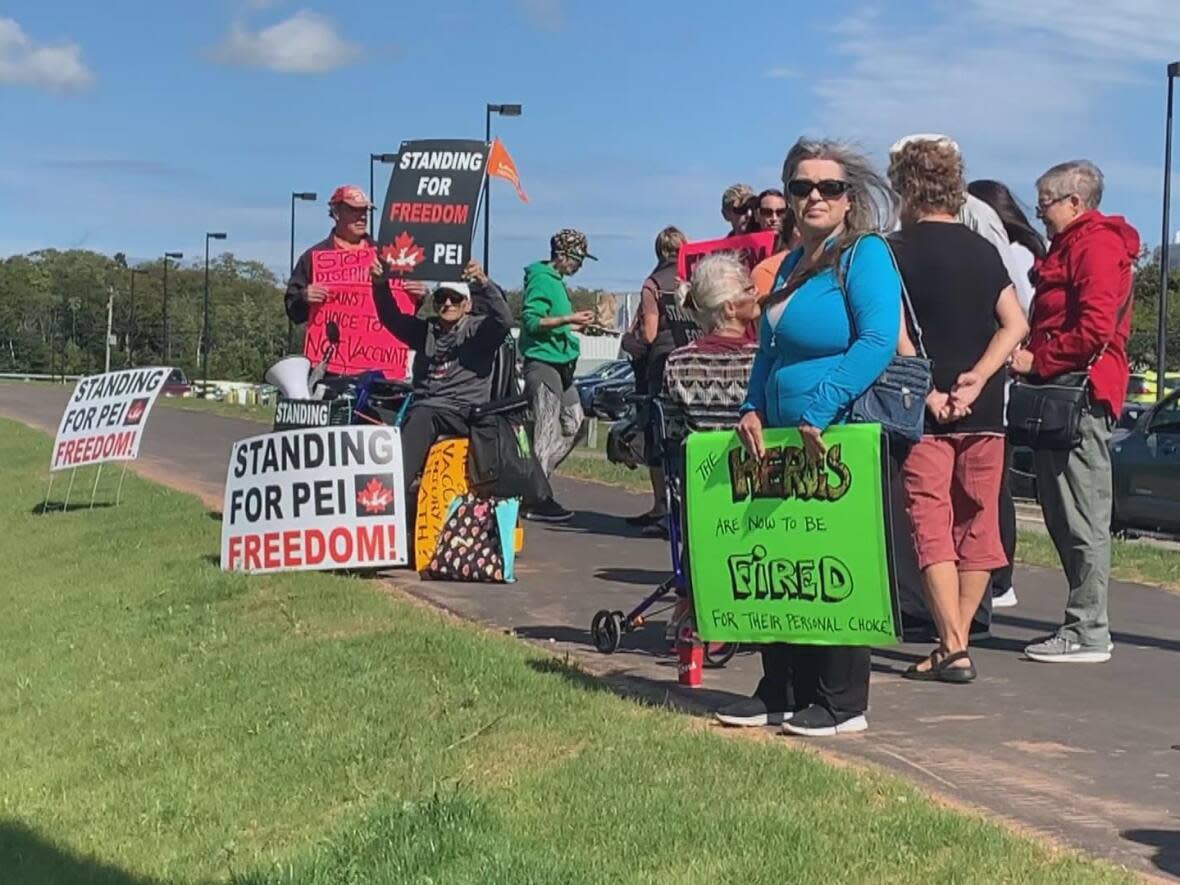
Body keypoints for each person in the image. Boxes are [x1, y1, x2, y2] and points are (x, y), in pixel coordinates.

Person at [718, 138, 902, 737]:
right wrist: (750, 409)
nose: (814, 197)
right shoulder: (794, 264)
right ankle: (782, 688)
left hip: (839, 436)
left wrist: (820, 408)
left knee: (835, 563)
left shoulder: (865, 255)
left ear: (850, 199)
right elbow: (768, 350)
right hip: (780, 441)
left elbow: (876, 340)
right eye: (802, 187)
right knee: (785, 562)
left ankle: (841, 701)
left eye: (828, 187)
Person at [887, 139, 1029, 684]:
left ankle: (951, 644)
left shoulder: (890, 249)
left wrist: (929, 391)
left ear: (903, 186)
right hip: (985, 408)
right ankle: (960, 639)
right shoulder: (983, 249)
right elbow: (1015, 324)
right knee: (978, 521)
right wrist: (980, 377)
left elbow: (896, 336)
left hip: (924, 405)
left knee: (930, 521)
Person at [1010, 160, 1139, 663]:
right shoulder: (1076, 246)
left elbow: (1095, 329)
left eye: (1045, 203)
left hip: (1078, 394)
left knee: (1081, 514)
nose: (1040, 213)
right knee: (1063, 513)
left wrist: (1036, 358)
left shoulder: (1097, 246)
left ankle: (1088, 628)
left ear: (1074, 203)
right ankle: (1084, 623)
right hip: (1062, 393)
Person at [370, 257, 513, 523]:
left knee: (423, 415)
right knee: (378, 416)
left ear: (467, 305)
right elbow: (390, 318)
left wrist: (484, 282)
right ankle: (378, 499)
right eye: (441, 299)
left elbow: (504, 320)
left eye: (455, 299)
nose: (447, 304)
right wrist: (379, 284)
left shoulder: (478, 330)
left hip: (462, 410)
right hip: (426, 405)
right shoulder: (427, 330)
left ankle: (388, 505)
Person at [968, 178, 1049, 610]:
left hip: (1003, 377)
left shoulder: (1012, 255)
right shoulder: (1025, 252)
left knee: (993, 486)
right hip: (1003, 377)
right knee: (994, 484)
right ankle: (998, 577)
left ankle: (1000, 578)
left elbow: (1015, 311)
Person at [519, 228, 597, 523]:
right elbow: (531, 321)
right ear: (565, 256)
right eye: (578, 259)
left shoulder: (559, 284)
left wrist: (573, 327)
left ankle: (535, 480)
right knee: (544, 430)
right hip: (543, 364)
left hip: (563, 365)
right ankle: (536, 497)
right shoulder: (541, 279)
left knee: (574, 422)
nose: (580, 266)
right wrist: (569, 318)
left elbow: (554, 324)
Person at [624, 226, 693, 533]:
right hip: (691, 360)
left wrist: (631, 339)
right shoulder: (691, 280)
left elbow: (650, 334)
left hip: (661, 362)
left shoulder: (652, 285)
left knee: (659, 432)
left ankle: (662, 507)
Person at [750, 189, 800, 298]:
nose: (774, 218)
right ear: (757, 215)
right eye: (767, 212)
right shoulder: (743, 251)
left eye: (780, 212)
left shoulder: (798, 251)